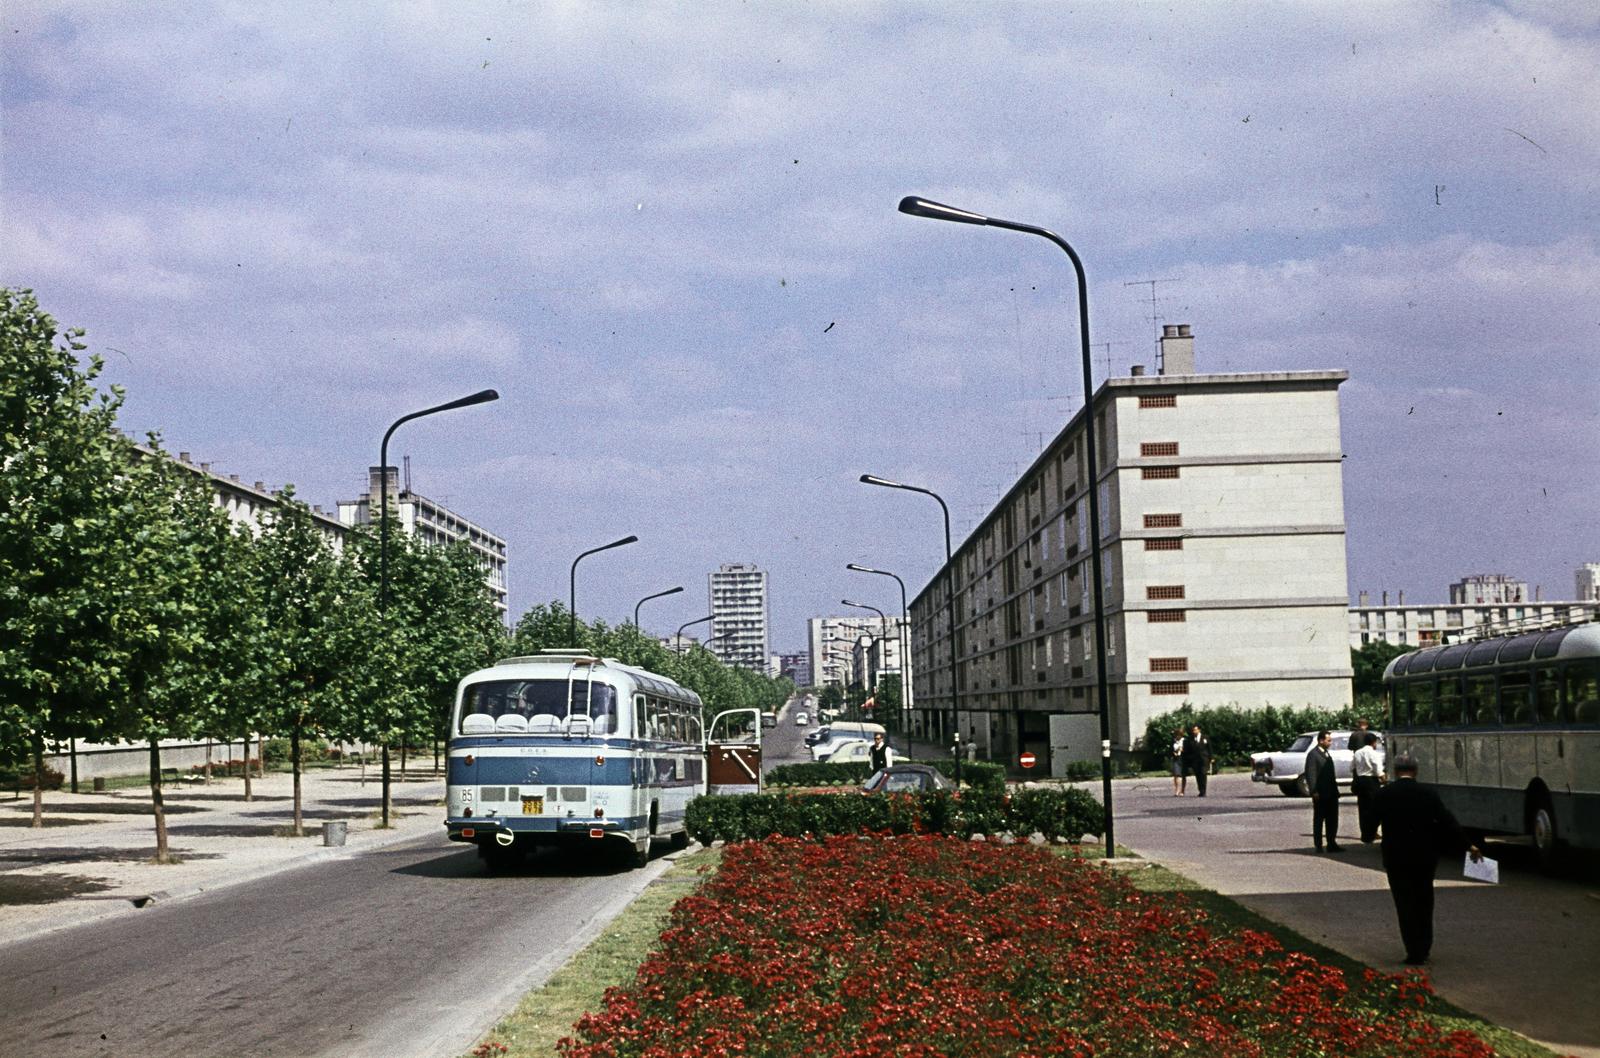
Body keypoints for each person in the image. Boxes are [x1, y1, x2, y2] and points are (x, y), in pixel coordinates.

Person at [1377, 753, 1482, 965]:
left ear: (1396, 772)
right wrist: (1467, 844)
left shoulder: (1385, 793)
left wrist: (1370, 833)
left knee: (1404, 904)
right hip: (1424, 856)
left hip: (1396, 857)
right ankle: (1425, 946)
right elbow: (1447, 820)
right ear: (1415, 771)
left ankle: (1413, 950)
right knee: (1424, 900)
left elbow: (1370, 821)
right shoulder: (1428, 793)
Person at [1304, 729, 1341, 852]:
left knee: (1332, 819)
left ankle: (1331, 842)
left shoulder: (1326, 753)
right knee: (1319, 819)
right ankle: (1318, 845)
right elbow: (1311, 774)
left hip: (1331, 793)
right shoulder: (1313, 755)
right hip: (1320, 793)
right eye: (1328, 740)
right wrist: (1314, 791)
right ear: (1321, 740)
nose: (1330, 743)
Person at [1351, 731, 1385, 842]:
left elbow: (1351, 767)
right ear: (1373, 742)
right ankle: (1372, 832)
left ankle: (1365, 834)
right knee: (1374, 807)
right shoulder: (1374, 754)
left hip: (1361, 781)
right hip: (1371, 782)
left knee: (1363, 808)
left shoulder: (1357, 753)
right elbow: (1378, 771)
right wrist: (1384, 779)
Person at [1182, 725, 1212, 797]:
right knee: (1198, 775)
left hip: (1204, 759)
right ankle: (1200, 790)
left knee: (1203, 774)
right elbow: (1188, 750)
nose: (1194, 732)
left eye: (1195, 730)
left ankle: (1203, 790)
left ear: (1199, 730)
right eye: (1193, 730)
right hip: (1195, 760)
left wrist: (1211, 757)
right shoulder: (1190, 739)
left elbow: (1209, 748)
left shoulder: (1205, 738)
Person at [1170, 728, 1187, 796]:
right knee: (1176, 775)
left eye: (1179, 735)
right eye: (1176, 735)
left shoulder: (1185, 741)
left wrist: (1182, 750)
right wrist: (1173, 753)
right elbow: (1170, 750)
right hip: (1176, 759)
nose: (1178, 736)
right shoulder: (1173, 741)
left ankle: (1182, 790)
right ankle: (1177, 790)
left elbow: (1188, 750)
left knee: (1183, 775)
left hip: (1183, 758)